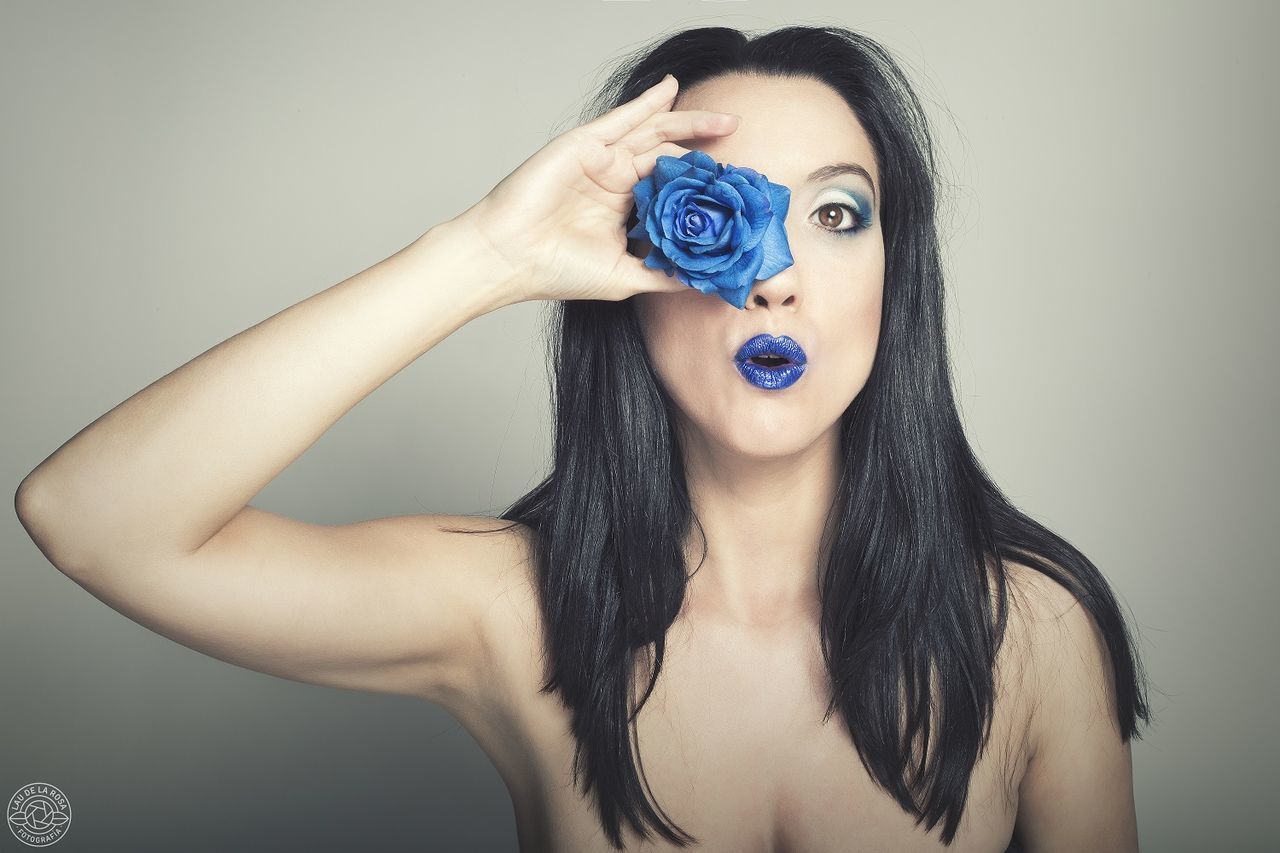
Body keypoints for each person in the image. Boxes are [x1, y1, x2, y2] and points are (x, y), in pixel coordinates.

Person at [14, 24, 1150, 853]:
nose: (774, 280)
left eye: (837, 213)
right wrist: (483, 257)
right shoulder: (514, 611)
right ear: (633, 274)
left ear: (894, 282)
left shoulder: (1036, 632)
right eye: (719, 212)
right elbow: (92, 519)